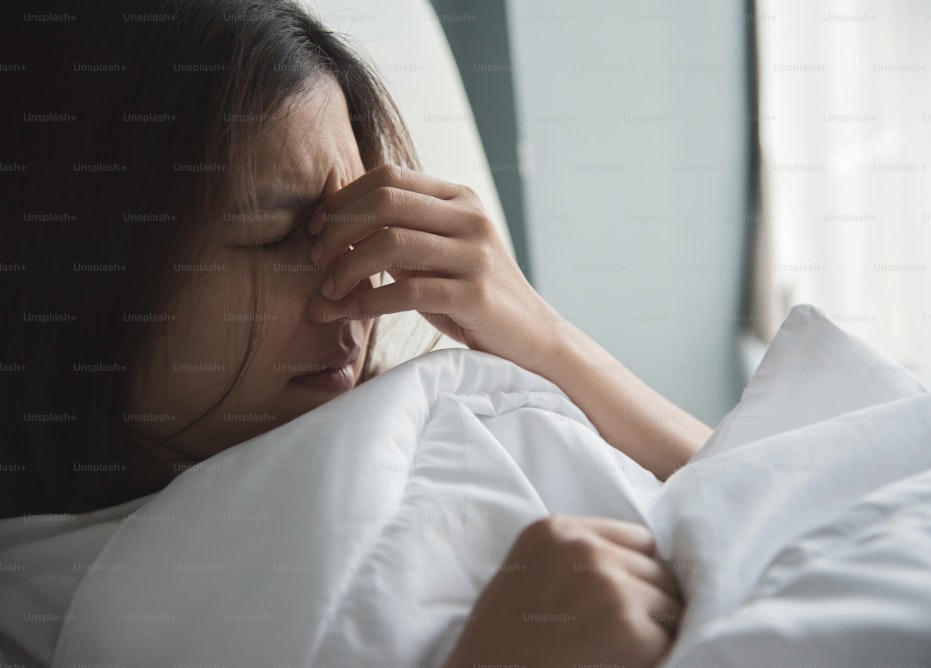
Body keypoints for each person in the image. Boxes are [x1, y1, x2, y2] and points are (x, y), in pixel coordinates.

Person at [2, 1, 711, 665]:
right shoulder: (66, 598)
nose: (356, 291)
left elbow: (764, 486)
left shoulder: (452, 398)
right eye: (277, 236)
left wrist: (545, 336)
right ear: (89, 274)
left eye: (361, 231)